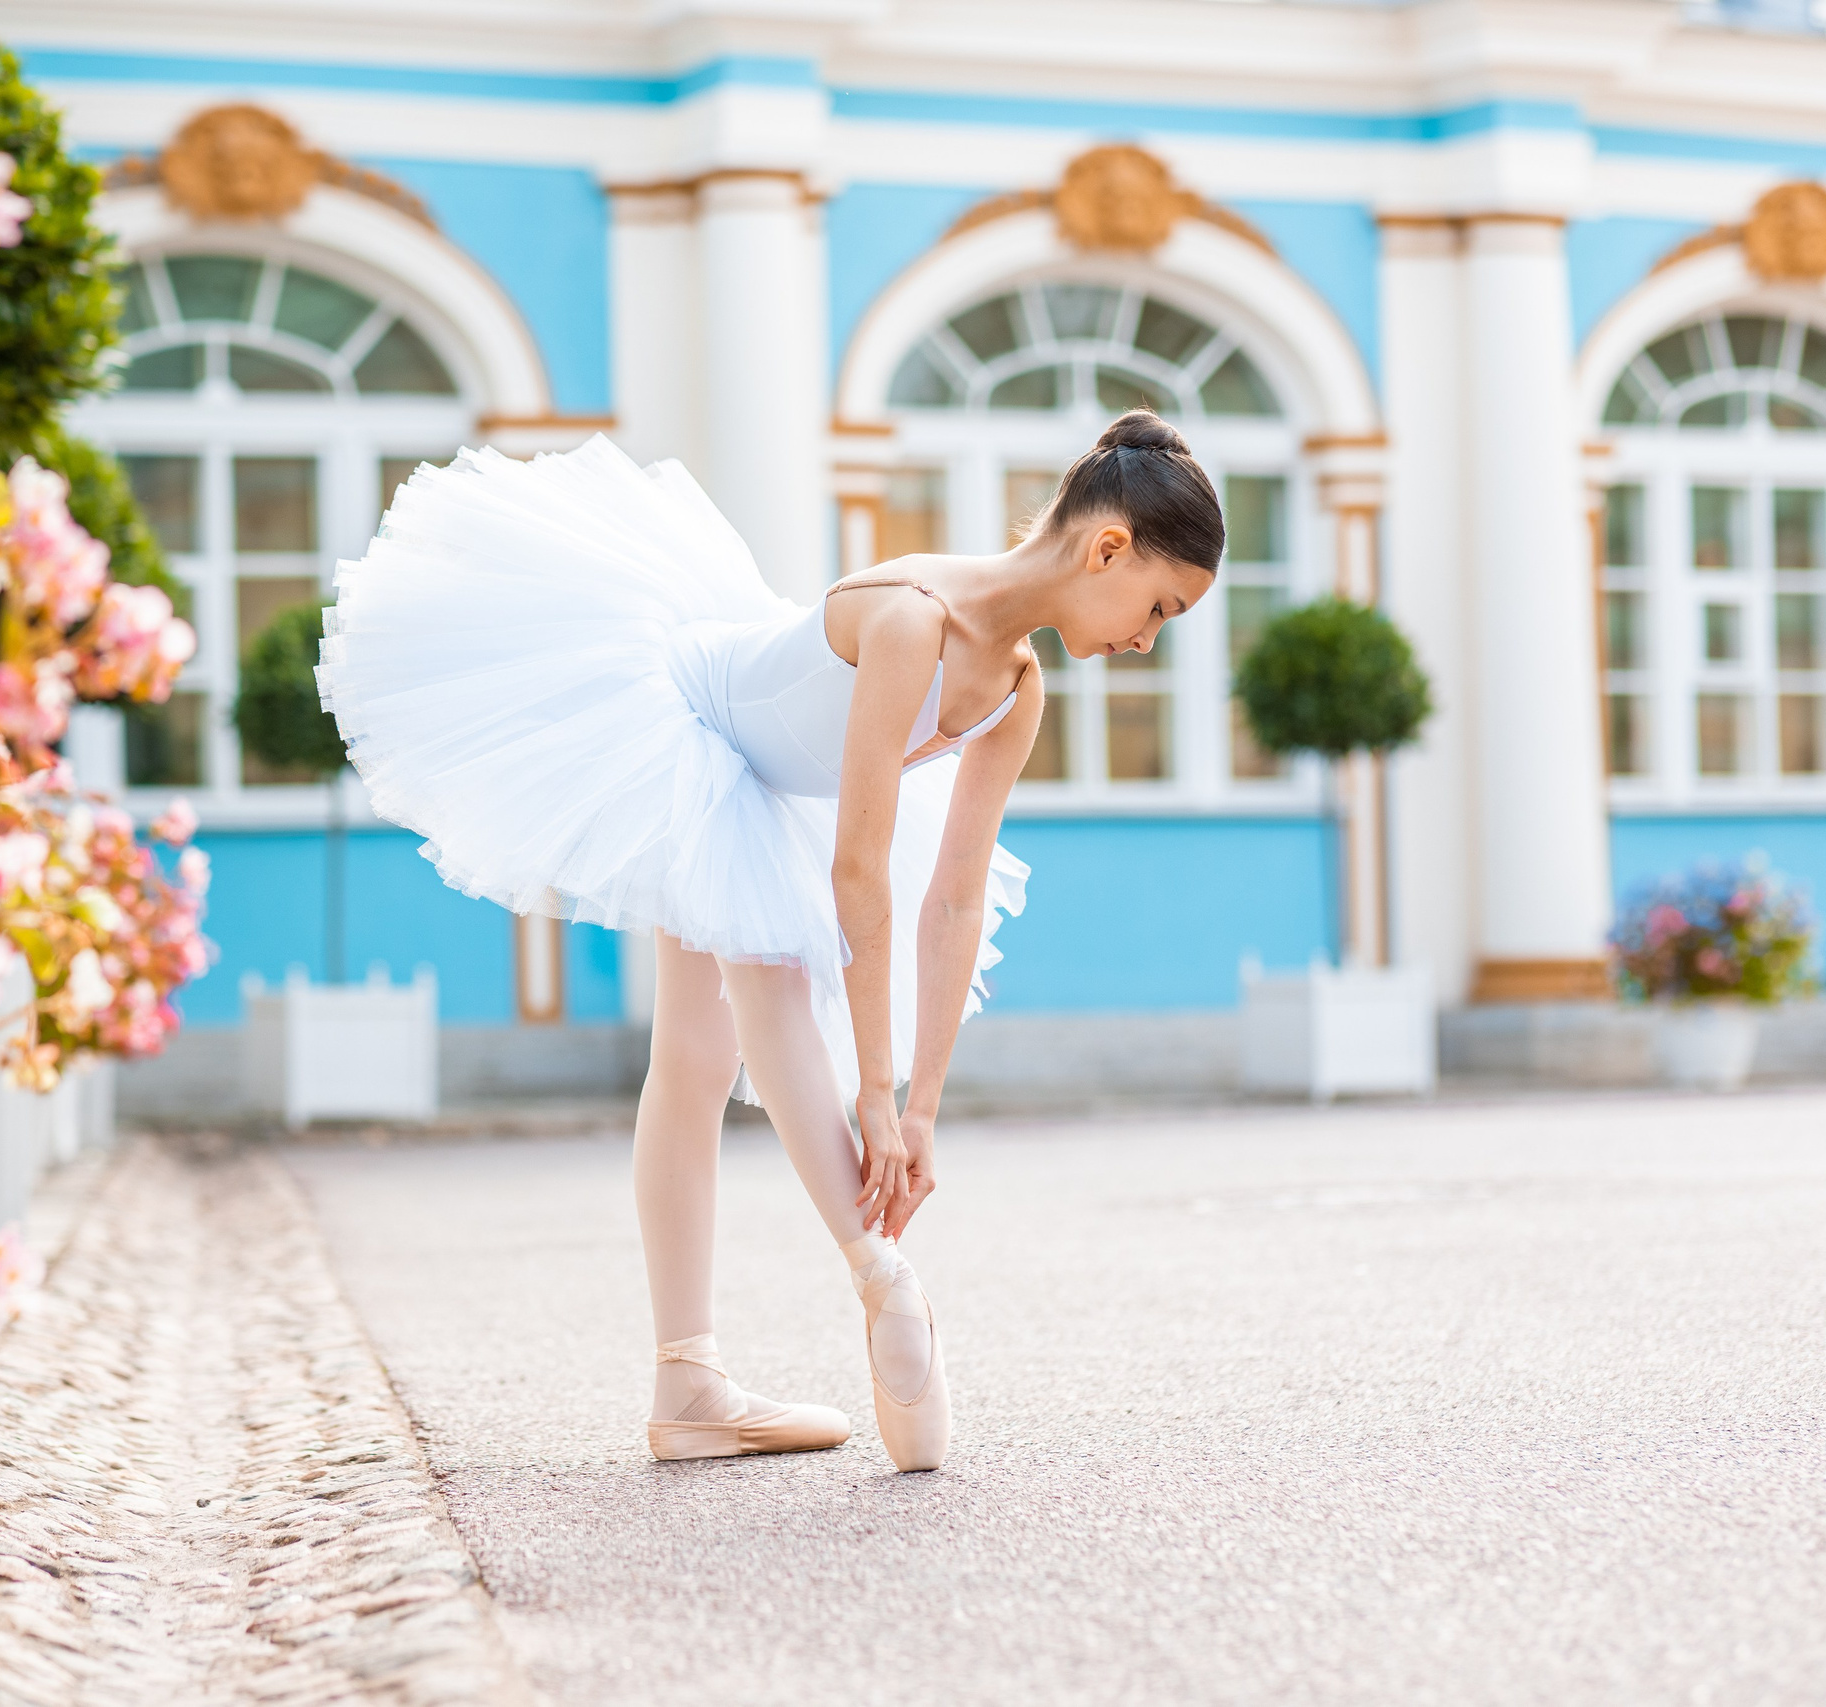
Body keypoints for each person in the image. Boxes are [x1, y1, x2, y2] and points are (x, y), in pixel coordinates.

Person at [318, 410, 1223, 1472]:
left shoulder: (1017, 689)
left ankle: (687, 1385)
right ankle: (874, 1273)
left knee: (695, 1059)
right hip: (687, 723)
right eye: (1157, 606)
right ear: (1106, 548)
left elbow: (950, 901)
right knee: (763, 972)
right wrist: (869, 1097)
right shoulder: (909, 618)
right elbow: (856, 871)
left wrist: (922, 1102)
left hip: (764, 781)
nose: (1145, 639)